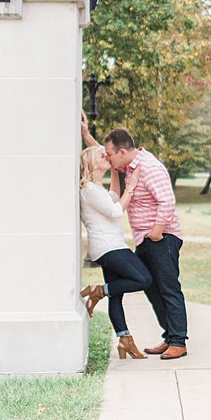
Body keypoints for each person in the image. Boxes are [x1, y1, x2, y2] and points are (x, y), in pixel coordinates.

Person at [82, 116, 189, 360]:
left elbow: (167, 202)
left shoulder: (149, 167)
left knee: (169, 289)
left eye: (109, 154)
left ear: (121, 151)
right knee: (152, 289)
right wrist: (87, 135)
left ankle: (179, 341)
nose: (106, 157)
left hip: (162, 238)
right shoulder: (127, 165)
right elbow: (99, 157)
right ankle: (170, 336)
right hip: (145, 240)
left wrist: (158, 230)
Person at [78, 145, 153, 359]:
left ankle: (124, 339)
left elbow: (114, 196)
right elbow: (115, 210)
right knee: (144, 279)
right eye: (101, 156)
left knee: (116, 295)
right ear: (91, 163)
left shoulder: (97, 190)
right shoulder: (89, 190)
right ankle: (98, 290)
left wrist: (116, 172)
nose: (106, 156)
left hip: (110, 246)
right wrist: (132, 185)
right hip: (108, 247)